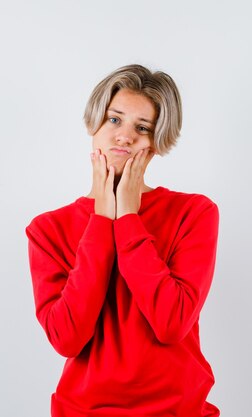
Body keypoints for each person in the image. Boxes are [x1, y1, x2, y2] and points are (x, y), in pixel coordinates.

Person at [25, 64, 220, 417]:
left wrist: (128, 219)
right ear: (94, 125)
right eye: (115, 120)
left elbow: (172, 323)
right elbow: (67, 337)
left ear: (156, 143)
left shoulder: (194, 213)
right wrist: (102, 221)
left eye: (141, 127)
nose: (124, 136)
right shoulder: (47, 229)